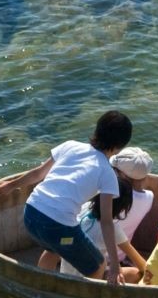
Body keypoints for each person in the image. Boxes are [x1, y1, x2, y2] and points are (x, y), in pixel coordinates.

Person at [11, 111, 133, 284]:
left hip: (30, 214)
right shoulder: (107, 173)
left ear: (97, 130)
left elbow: (37, 174)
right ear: (120, 145)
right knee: (98, 265)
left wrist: (7, 186)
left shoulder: (71, 145)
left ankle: (39, 287)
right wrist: (114, 266)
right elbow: (106, 221)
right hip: (56, 228)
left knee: (53, 249)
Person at [77, 176, 151, 283]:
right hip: (90, 279)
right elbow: (142, 265)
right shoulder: (112, 228)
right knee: (136, 273)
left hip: (69, 269)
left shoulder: (85, 207)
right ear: (123, 207)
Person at [110, 147, 157, 252]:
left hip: (96, 256)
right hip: (120, 254)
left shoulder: (110, 195)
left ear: (123, 175)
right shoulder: (149, 197)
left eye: (115, 169)